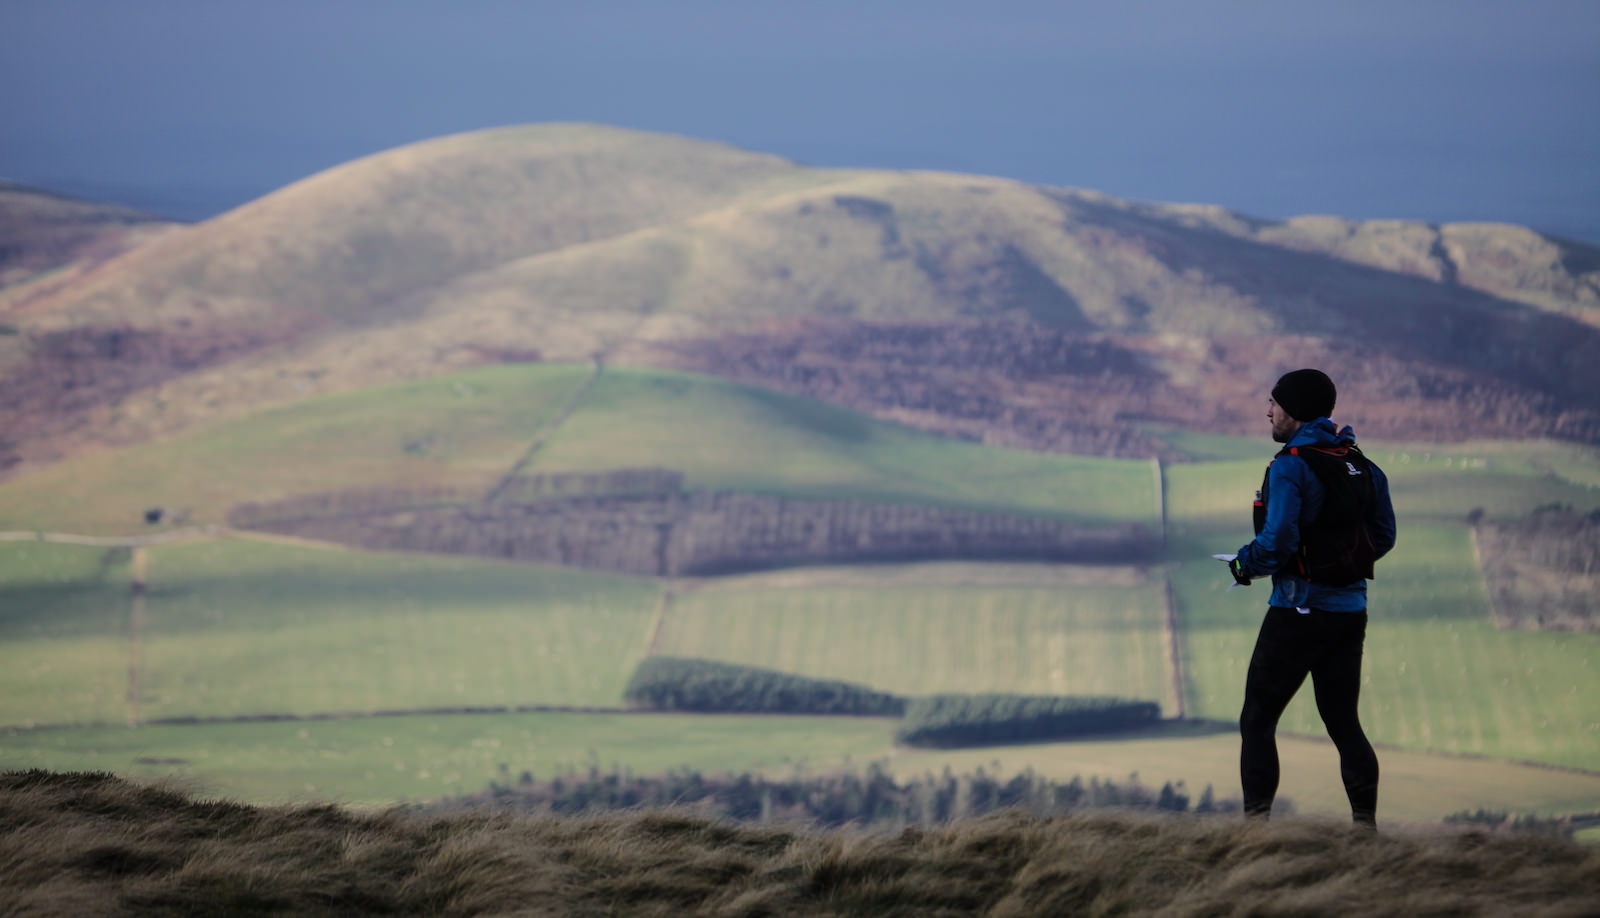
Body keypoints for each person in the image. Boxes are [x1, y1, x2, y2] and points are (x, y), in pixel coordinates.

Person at [1223, 368, 1397, 828]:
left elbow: (1277, 542)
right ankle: (1365, 831)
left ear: (1294, 410)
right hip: (1349, 614)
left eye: (1274, 404)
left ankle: (1255, 832)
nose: (1268, 412)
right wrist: (1340, 565)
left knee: (1257, 720)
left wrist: (1244, 564)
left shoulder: (1290, 466)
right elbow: (1384, 535)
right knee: (1344, 724)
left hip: (1295, 614)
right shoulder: (1363, 465)